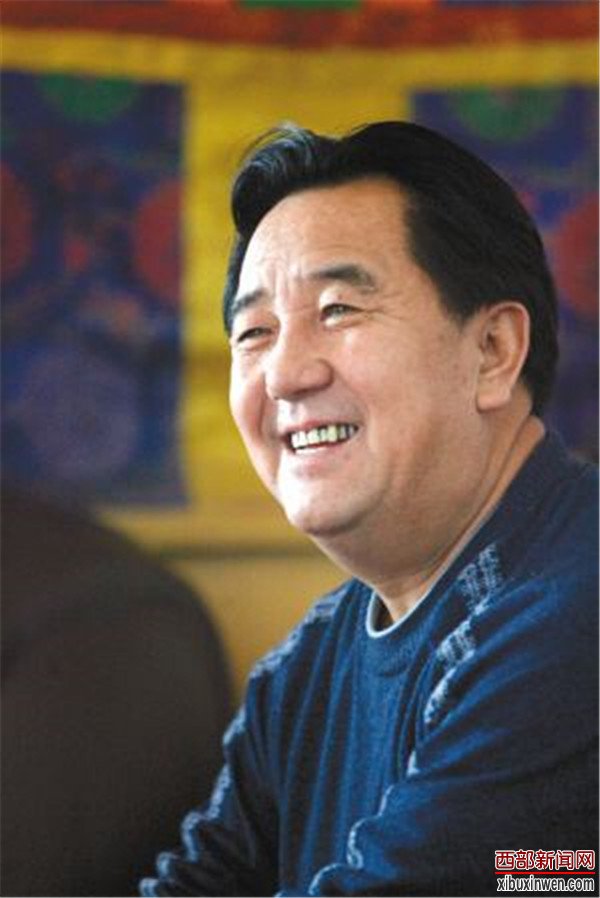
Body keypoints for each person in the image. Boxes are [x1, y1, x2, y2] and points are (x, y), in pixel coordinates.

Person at [140, 121, 598, 897]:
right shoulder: (309, 666)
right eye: (255, 333)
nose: (285, 373)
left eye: (339, 310)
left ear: (492, 351)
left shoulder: (574, 618)